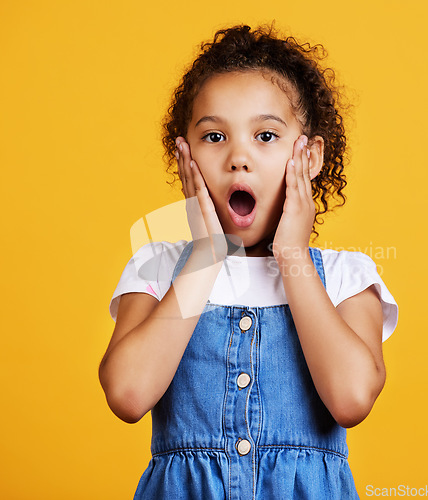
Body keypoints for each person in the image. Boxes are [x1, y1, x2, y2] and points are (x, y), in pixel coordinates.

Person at [99, 23, 399, 499]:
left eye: (265, 135)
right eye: (214, 137)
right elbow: (128, 395)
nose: (239, 157)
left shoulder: (345, 277)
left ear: (311, 155)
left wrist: (293, 256)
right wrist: (205, 255)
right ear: (184, 155)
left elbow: (351, 399)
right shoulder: (157, 268)